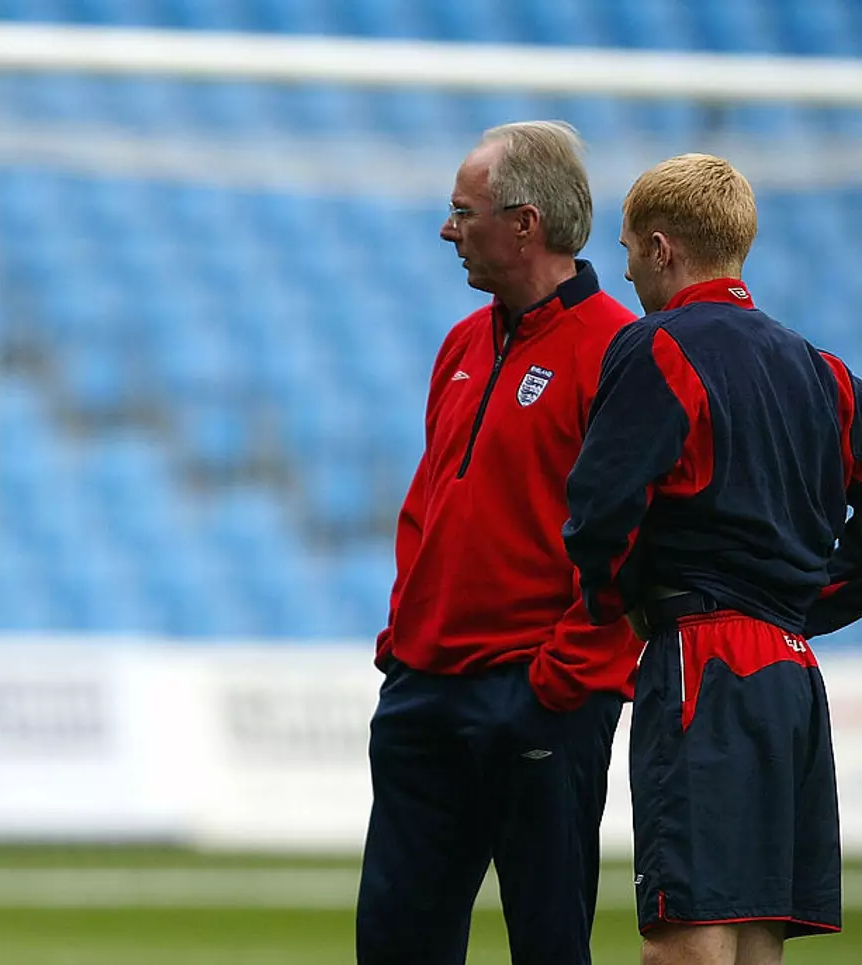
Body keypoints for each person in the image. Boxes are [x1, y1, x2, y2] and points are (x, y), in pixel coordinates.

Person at [355, 120, 640, 965]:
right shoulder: (459, 343)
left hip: (540, 696)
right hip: (425, 695)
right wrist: (401, 647)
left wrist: (558, 681)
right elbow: (427, 505)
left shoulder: (618, 351)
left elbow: (629, 544)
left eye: (462, 211)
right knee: (394, 947)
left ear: (525, 224)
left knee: (549, 946)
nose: (448, 229)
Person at [563, 154, 844, 965]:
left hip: (702, 658)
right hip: (791, 670)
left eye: (625, 249)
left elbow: (599, 514)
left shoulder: (659, 347)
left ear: (661, 248)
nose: (620, 269)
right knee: (757, 934)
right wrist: (817, 598)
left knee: (687, 935)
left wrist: (620, 602)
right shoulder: (821, 370)